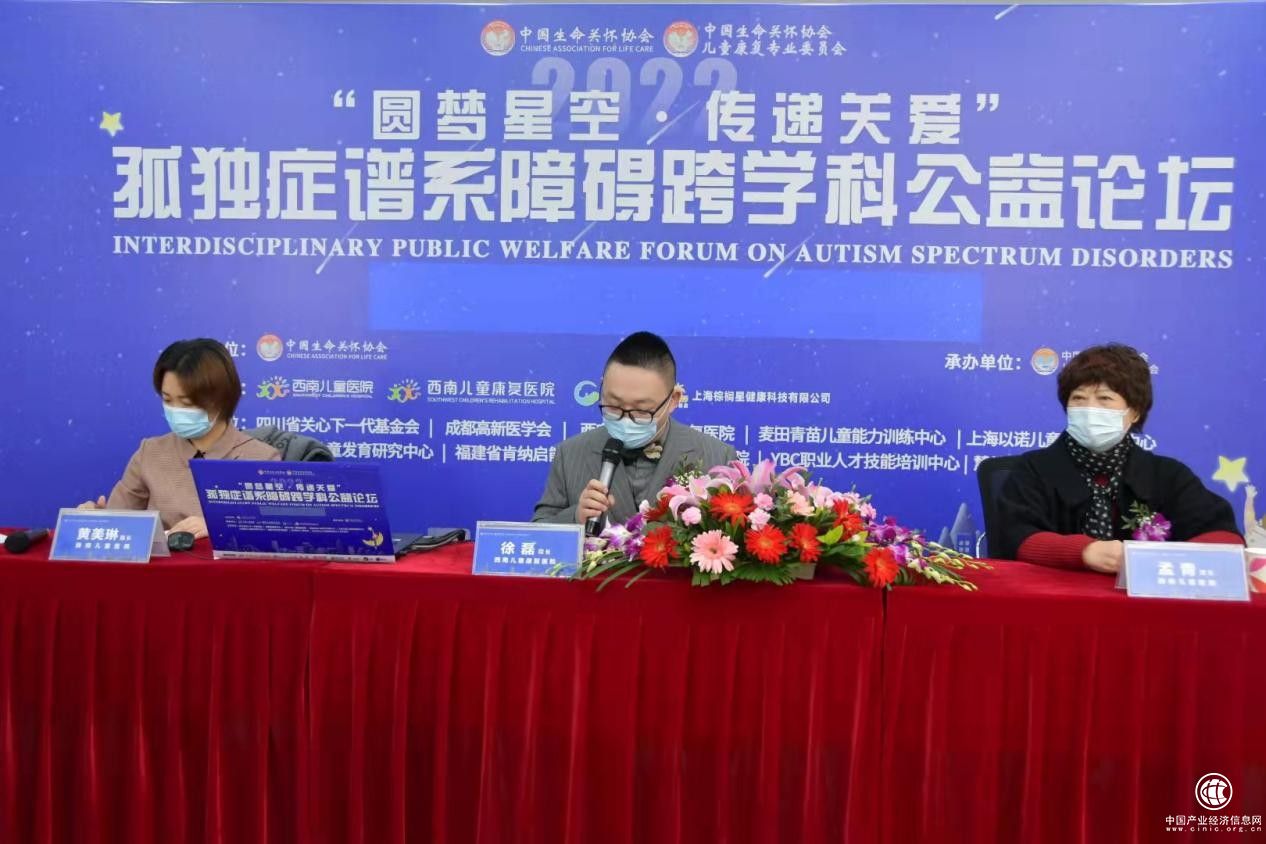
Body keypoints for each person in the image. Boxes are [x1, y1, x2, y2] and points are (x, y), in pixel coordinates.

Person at [996, 343, 1242, 573]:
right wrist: (1083, 551)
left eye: (1104, 398)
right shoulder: (1034, 469)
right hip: (1054, 599)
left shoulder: (1167, 475)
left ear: (1134, 412)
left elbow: (1223, 536)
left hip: (1144, 601)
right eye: (1078, 398)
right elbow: (1015, 537)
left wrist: (1166, 560)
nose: (1089, 409)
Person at [79, 338, 280, 537]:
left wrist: (220, 526)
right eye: (167, 400)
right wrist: (96, 518)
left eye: (186, 403)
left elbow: (275, 534)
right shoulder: (150, 452)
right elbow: (118, 522)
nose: (176, 410)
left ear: (221, 399)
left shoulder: (261, 460)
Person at [533, 331, 737, 527]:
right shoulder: (570, 454)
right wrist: (576, 517)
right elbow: (538, 533)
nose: (625, 419)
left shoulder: (717, 457)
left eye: (641, 410)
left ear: (673, 400)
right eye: (614, 405)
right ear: (602, 388)